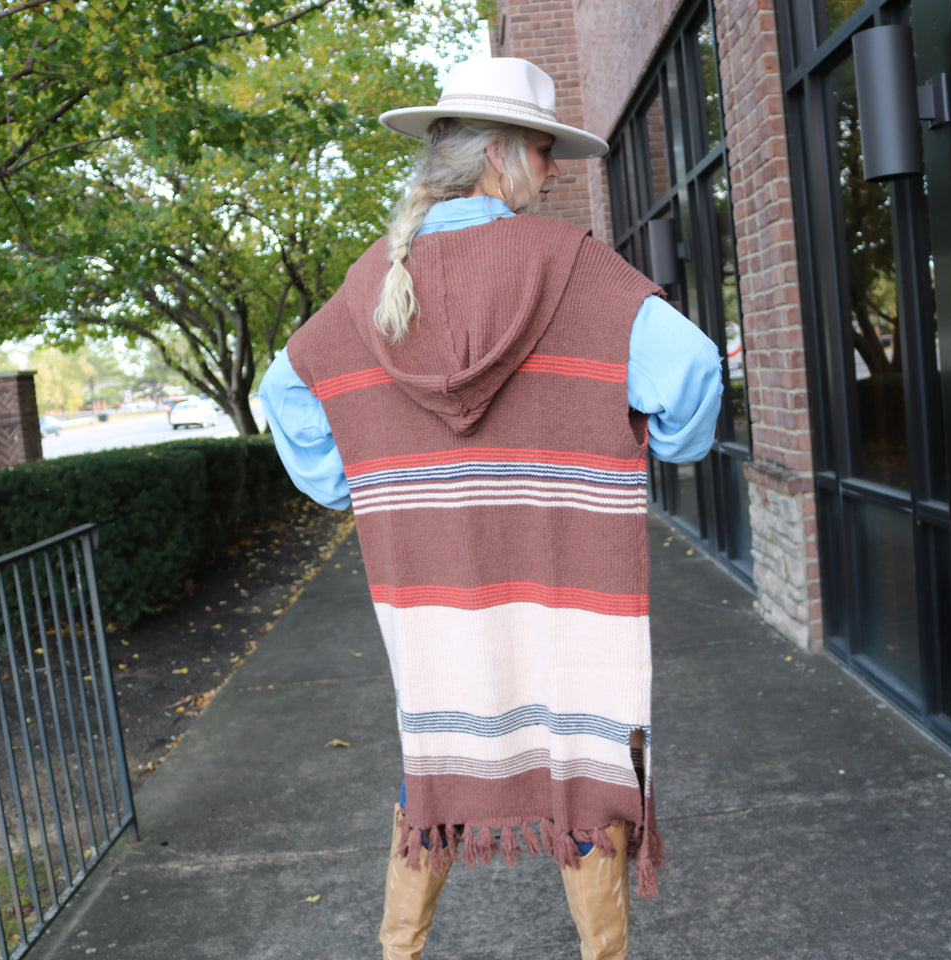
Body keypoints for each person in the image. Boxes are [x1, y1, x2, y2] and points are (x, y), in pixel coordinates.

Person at [259, 57, 722, 960]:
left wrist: (354, 480)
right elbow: (696, 369)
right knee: (583, 763)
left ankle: (400, 952)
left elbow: (288, 394)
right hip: (569, 595)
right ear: (503, 155)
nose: (553, 172)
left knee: (435, 758)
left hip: (430, 599)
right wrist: (665, 444)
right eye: (546, 151)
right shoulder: (579, 271)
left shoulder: (366, 292)